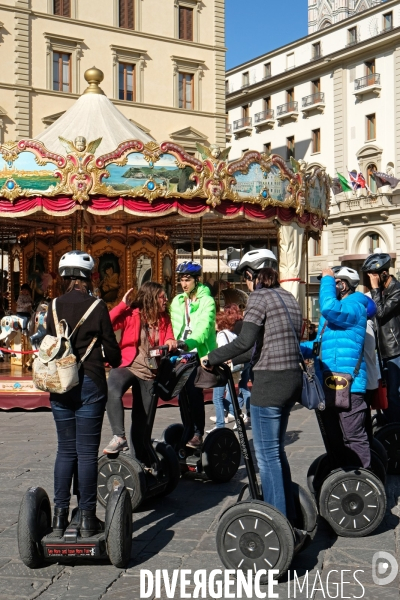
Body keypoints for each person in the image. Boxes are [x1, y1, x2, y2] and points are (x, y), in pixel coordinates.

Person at [201, 267, 303, 530]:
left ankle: (277, 523)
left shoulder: (259, 297)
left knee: (266, 457)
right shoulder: (288, 296)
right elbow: (262, 344)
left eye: (247, 279)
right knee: (276, 452)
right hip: (292, 380)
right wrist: (234, 359)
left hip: (270, 383)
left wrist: (211, 357)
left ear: (255, 277)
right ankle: (290, 515)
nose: (246, 285)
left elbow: (245, 340)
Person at [46, 251, 121, 537]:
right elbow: (110, 347)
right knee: (87, 454)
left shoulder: (53, 305)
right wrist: (112, 360)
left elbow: (50, 342)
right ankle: (88, 518)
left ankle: (59, 516)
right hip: (89, 381)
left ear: (65, 277)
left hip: (61, 385)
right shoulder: (98, 306)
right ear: (88, 277)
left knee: (65, 450)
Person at [301, 266, 371, 469]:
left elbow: (329, 308)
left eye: (334, 282)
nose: (332, 286)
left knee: (353, 437)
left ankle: (365, 480)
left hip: (350, 385)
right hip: (328, 383)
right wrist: (294, 348)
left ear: (344, 284)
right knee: (334, 439)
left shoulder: (355, 306)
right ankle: (341, 480)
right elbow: (318, 346)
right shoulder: (331, 316)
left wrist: (326, 279)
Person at [103, 282, 177, 455]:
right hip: (128, 364)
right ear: (151, 298)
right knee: (112, 390)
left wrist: (170, 342)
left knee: (142, 419)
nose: (166, 300)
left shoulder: (164, 318)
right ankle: (118, 437)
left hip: (150, 370)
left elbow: (169, 337)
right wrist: (121, 306)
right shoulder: (132, 314)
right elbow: (106, 323)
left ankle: (141, 458)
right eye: (162, 297)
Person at [170, 261, 217, 449]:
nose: (184, 284)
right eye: (181, 280)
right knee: (181, 395)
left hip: (199, 353)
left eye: (187, 279)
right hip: (180, 353)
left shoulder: (207, 301)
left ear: (197, 280)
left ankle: (198, 432)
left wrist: (187, 343)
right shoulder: (178, 301)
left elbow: (204, 328)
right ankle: (188, 429)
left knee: (193, 391)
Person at [361, 252, 400, 423]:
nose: (372, 281)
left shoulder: (397, 290)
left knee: (394, 393)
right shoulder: (382, 292)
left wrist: (375, 288)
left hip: (395, 350)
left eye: (374, 276)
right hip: (383, 350)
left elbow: (381, 312)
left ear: (384, 273)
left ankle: (396, 429)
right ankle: (389, 428)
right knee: (385, 393)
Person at [207, 309, 245, 432]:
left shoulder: (221, 335)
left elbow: (223, 352)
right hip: (232, 368)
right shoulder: (232, 334)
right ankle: (238, 415)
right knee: (222, 396)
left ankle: (220, 425)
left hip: (222, 369)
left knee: (217, 398)